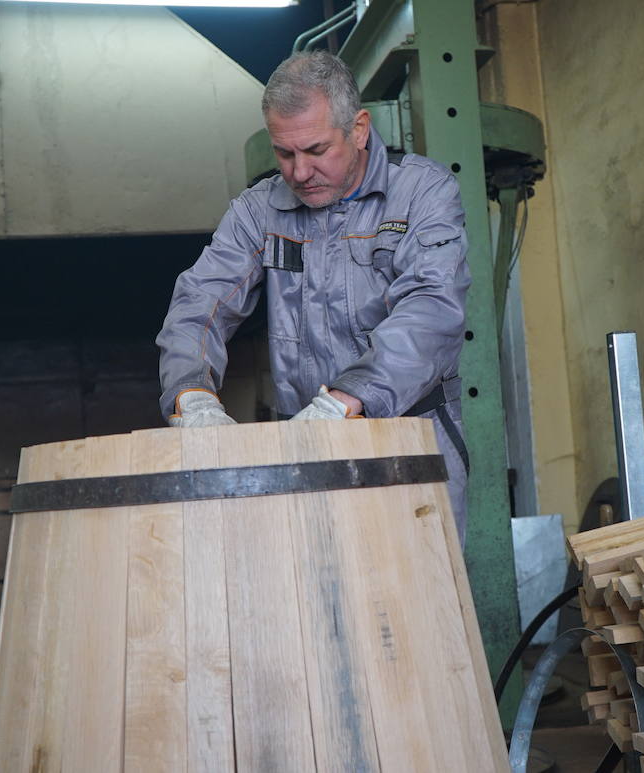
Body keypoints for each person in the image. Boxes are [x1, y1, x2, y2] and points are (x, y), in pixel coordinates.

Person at [156, 51, 472, 543]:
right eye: (284, 154)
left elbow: (431, 310)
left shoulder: (422, 193)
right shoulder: (257, 212)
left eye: (316, 150)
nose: (300, 172)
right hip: (300, 446)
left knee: (416, 582)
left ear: (359, 129)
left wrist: (347, 401)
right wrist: (191, 395)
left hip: (407, 437)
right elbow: (200, 302)